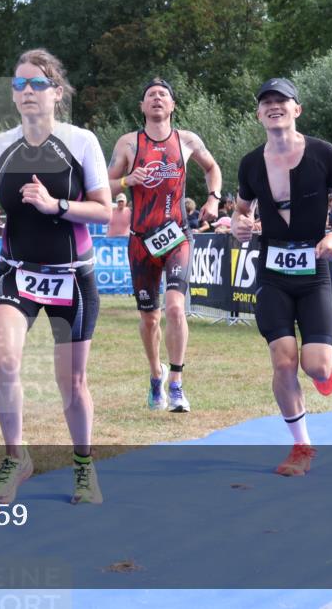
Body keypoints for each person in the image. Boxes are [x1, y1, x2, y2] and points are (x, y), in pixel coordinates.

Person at [0, 48, 111, 505]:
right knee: (3, 361)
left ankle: (84, 466)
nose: (27, 92)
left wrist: (56, 206)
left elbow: (104, 210)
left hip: (72, 277)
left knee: (71, 384)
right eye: (18, 85)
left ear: (56, 91)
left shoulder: (80, 141)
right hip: (15, 273)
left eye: (36, 84)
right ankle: (17, 458)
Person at [231, 78, 332, 477]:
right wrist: (240, 226)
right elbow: (241, 212)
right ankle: (301, 447)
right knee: (284, 362)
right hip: (272, 274)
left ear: (297, 109)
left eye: (281, 100)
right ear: (258, 114)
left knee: (314, 365)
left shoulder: (322, 153)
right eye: (266, 102)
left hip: (314, 270)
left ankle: (327, 368)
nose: (274, 106)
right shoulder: (251, 163)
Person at [108, 77, 222, 413]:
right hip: (141, 242)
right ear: (142, 107)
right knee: (149, 320)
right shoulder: (129, 144)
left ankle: (176, 383)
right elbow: (102, 184)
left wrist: (213, 199)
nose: (157, 98)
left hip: (176, 237)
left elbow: (212, 167)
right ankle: (155, 374)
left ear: (172, 105)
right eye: (150, 95)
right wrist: (128, 180)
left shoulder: (186, 140)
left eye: (163, 95)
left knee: (175, 307)